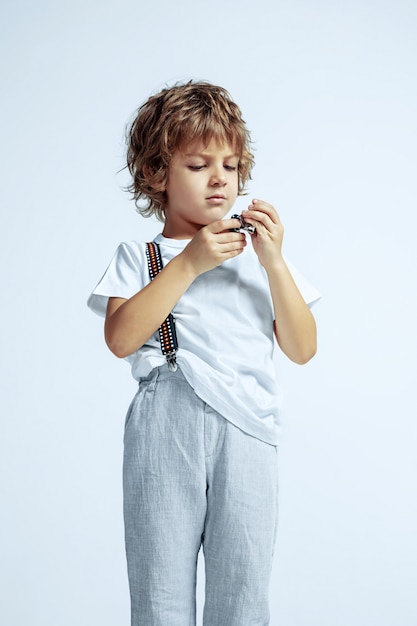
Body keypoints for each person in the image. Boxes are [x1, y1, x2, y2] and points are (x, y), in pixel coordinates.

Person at [87, 80, 320, 626]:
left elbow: (303, 348)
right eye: (198, 165)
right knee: (159, 587)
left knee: (243, 590)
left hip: (249, 430)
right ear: (156, 174)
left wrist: (276, 264)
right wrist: (188, 264)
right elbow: (120, 337)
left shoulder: (259, 258)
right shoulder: (141, 254)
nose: (220, 179)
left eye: (231, 165)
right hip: (165, 424)